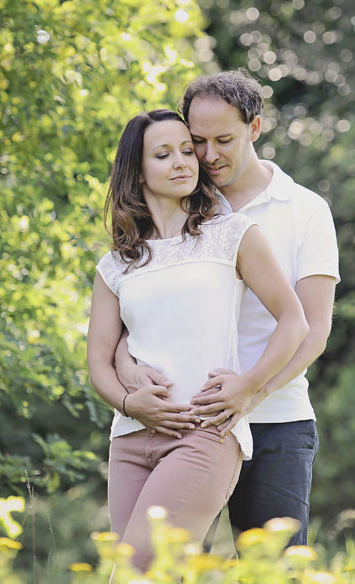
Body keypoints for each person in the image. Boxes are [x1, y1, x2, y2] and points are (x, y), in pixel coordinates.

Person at [114, 71, 340, 547]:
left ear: (255, 128)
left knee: (273, 573)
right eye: (197, 141)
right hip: (185, 423)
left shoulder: (305, 210)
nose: (209, 155)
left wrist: (250, 393)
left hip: (276, 419)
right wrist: (129, 375)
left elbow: (313, 328)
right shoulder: (177, 205)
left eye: (224, 140)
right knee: (164, 566)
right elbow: (131, 313)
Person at [86, 108, 308, 572]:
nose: (184, 161)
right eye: (163, 154)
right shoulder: (116, 265)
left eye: (187, 151)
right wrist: (130, 406)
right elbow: (100, 365)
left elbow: (295, 321)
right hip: (129, 439)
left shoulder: (231, 235)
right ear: (137, 170)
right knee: (146, 574)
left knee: (138, 574)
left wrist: (250, 384)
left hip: (203, 433)